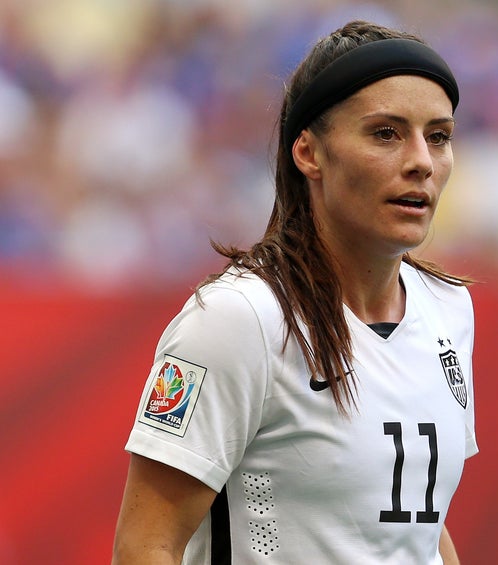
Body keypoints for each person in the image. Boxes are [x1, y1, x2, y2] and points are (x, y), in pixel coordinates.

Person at [112, 19, 478, 565]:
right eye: (386, 133)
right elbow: (145, 545)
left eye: (439, 136)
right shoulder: (239, 319)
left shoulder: (449, 308)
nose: (422, 161)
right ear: (308, 153)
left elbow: (417, 526)